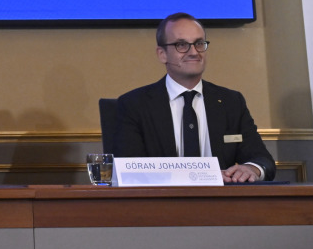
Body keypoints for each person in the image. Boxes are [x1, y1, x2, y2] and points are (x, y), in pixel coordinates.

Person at [112, 12, 276, 182]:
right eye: (181, 45)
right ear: (162, 54)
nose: (193, 52)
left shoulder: (231, 102)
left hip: (221, 204)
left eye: (199, 43)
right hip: (161, 204)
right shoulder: (134, 105)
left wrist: (252, 169)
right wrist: (195, 177)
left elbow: (262, 160)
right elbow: (129, 168)